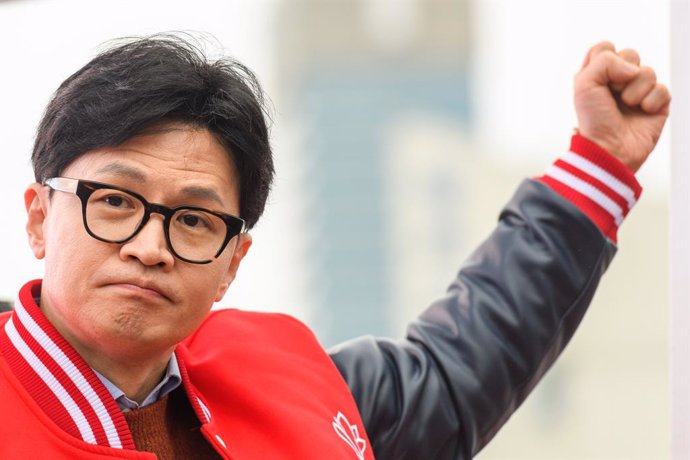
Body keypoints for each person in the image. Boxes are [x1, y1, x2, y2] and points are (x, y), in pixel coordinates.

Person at [0, 35, 670, 460]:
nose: (150, 247)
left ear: (234, 263)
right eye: (115, 202)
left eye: (195, 221)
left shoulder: (294, 383)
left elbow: (455, 374)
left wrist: (600, 166)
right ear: (38, 217)